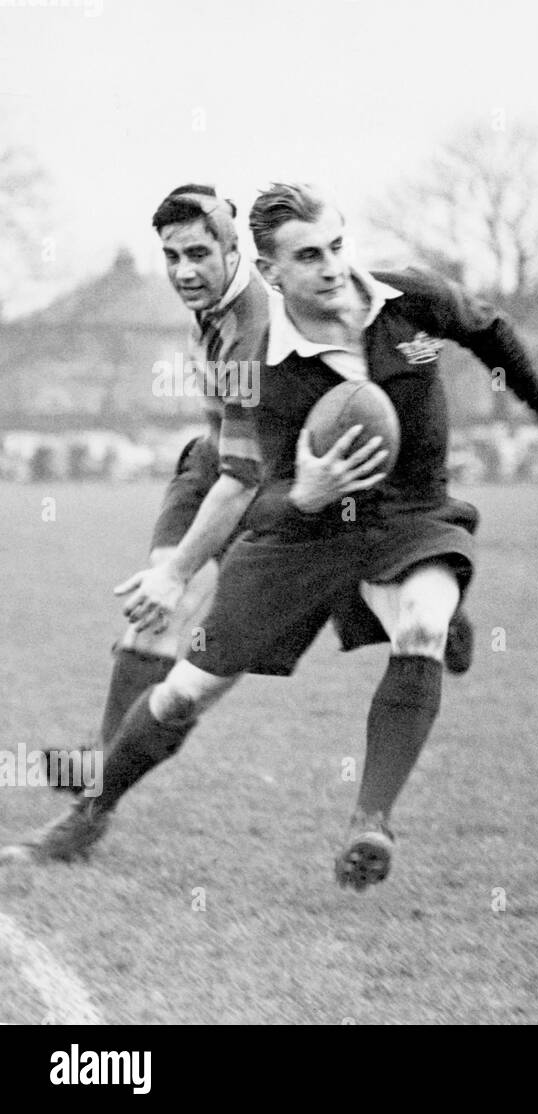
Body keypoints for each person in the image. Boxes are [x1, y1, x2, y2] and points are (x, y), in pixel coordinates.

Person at [8, 183, 538, 891]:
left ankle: (371, 823)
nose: (333, 266)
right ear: (272, 274)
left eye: (337, 245)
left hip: (410, 515)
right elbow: (249, 493)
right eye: (309, 257)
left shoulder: (410, 301)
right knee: (189, 690)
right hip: (301, 536)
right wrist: (299, 494)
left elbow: (488, 331)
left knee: (422, 624)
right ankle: (91, 811)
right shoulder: (259, 363)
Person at [41, 184, 273, 793]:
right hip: (211, 469)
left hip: (267, 491)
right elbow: (224, 447)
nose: (183, 271)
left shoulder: (253, 329)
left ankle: (101, 781)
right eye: (172, 256)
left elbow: (246, 476)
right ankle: (101, 767)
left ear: (231, 249)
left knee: (193, 648)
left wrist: (178, 574)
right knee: (153, 614)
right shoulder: (215, 308)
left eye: (198, 253)